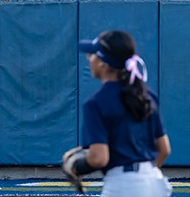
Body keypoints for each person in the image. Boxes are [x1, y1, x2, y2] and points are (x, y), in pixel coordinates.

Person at [62, 30, 170, 197]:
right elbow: (164, 150)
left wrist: (77, 167)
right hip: (155, 182)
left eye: (92, 55)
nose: (89, 59)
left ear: (103, 63)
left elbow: (99, 158)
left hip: (124, 185)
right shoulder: (147, 95)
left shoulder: (96, 103)